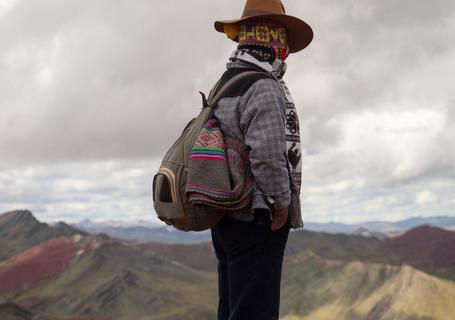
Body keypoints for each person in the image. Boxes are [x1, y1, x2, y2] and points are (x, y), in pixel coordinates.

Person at [209, 0, 313, 319]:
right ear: (273, 38)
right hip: (257, 214)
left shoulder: (225, 84)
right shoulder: (264, 86)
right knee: (256, 309)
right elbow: (267, 155)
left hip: (224, 212)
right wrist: (280, 205)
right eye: (282, 38)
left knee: (232, 304)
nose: (285, 51)